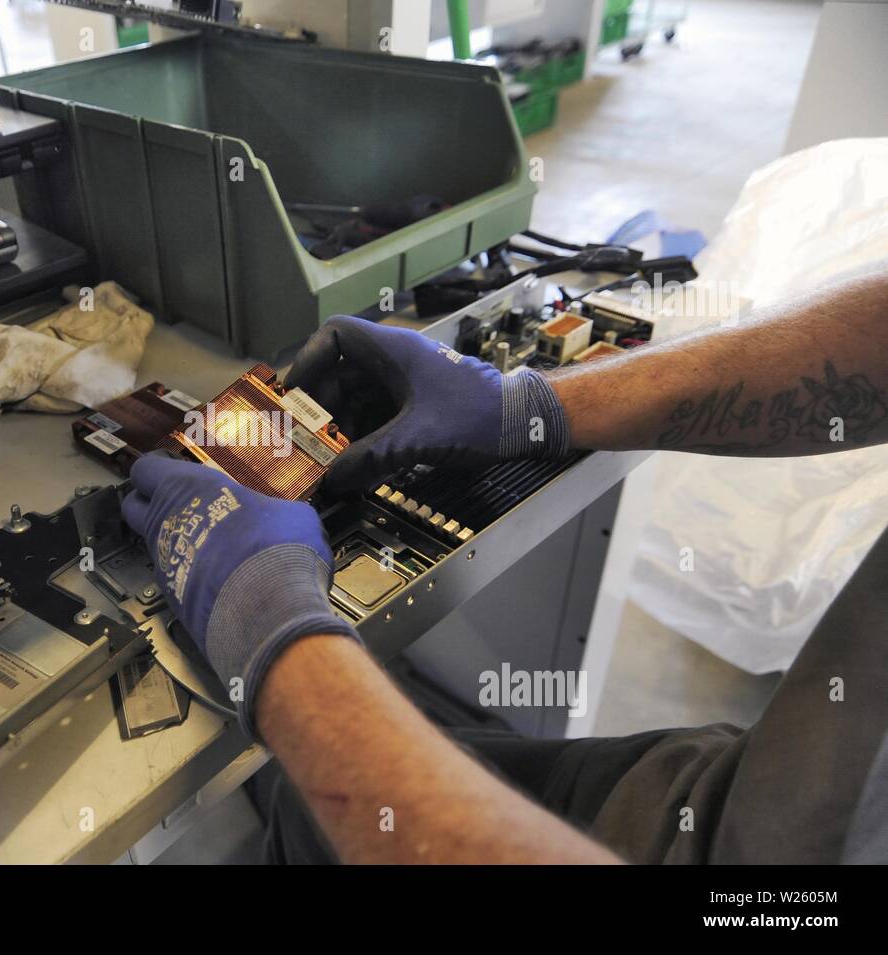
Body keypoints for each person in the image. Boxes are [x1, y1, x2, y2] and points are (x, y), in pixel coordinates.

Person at [119, 267, 888, 864]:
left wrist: (275, 638)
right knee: (301, 808)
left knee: (314, 809)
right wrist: (531, 406)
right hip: (738, 796)